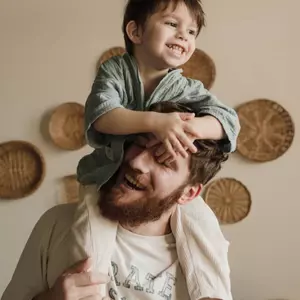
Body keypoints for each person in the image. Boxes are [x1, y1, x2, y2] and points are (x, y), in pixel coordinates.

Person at [2, 102, 232, 300]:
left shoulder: (203, 264)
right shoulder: (56, 223)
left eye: (163, 161)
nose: (138, 162)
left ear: (189, 194)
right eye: (140, 145)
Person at [76, 0, 240, 187]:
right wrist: (157, 122)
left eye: (192, 32)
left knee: (201, 216)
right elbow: (103, 116)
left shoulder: (186, 88)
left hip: (157, 186)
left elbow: (229, 121)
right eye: (172, 24)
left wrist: (191, 129)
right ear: (136, 32)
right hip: (105, 179)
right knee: (88, 215)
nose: (183, 36)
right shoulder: (116, 70)